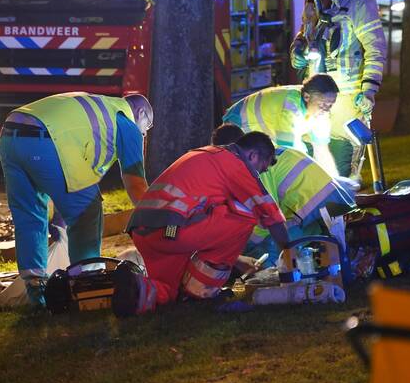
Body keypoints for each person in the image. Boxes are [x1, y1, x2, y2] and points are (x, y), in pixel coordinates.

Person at [112, 131, 291, 317]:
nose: (259, 175)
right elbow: (271, 216)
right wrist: (289, 254)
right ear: (252, 155)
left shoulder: (207, 155)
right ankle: (205, 292)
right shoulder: (237, 166)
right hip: (172, 231)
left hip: (146, 233)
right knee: (245, 214)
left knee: (169, 292)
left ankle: (136, 290)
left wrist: (237, 260)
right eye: (261, 169)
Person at [0, 92, 152, 305]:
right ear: (141, 115)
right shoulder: (127, 122)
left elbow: (70, 178)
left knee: (30, 215)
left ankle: (36, 290)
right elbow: (135, 184)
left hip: (10, 135)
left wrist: (62, 222)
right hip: (47, 139)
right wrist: (155, 220)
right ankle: (87, 285)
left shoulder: (101, 110)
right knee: (89, 211)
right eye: (146, 129)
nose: (143, 135)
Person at [290, 0, 386, 178]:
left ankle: (342, 216)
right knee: (311, 174)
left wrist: (368, 90)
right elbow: (305, 32)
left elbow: (375, 47)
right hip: (316, 95)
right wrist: (298, 50)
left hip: (348, 98)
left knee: (341, 172)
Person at [211, 124, 355, 267]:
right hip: (330, 200)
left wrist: (245, 247)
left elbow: (265, 213)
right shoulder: (272, 150)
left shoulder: (255, 165)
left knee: (267, 249)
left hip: (315, 205)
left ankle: (276, 279)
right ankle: (315, 268)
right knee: (289, 234)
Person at [221, 74, 340, 176]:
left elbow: (322, 150)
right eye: (323, 104)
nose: (326, 110)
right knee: (241, 171)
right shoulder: (290, 107)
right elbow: (291, 153)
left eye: (330, 105)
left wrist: (336, 181)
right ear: (307, 97)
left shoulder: (320, 113)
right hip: (238, 124)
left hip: (260, 132)